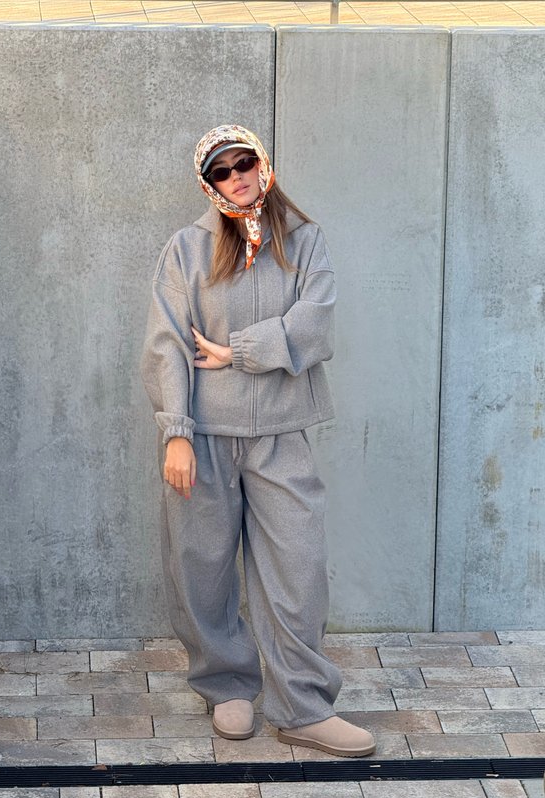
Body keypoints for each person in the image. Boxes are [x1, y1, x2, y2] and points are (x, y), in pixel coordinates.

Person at [140, 123, 375, 758]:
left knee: (297, 572)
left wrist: (239, 351)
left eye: (245, 163)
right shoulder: (186, 250)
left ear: (263, 165)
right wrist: (176, 434)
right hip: (206, 437)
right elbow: (168, 344)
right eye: (222, 171)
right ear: (208, 183)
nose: (237, 176)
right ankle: (228, 687)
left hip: (280, 435)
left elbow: (314, 323)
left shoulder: (304, 241)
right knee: (203, 570)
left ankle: (301, 705)